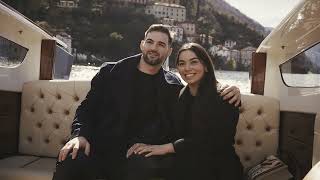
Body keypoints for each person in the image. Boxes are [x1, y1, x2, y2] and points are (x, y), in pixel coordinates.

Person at [52, 25, 241, 180]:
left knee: (143, 165)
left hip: (138, 154)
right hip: (100, 148)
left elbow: (200, 99)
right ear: (142, 44)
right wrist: (80, 135)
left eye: (161, 44)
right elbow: (87, 108)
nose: (154, 47)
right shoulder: (110, 73)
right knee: (71, 155)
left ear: (168, 51)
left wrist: (228, 88)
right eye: (150, 42)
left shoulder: (173, 86)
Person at [128, 43, 243, 180]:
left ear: (206, 66)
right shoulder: (182, 95)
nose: (187, 68)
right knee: (139, 159)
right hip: (188, 162)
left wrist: (165, 148)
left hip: (218, 167)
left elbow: (212, 141)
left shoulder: (225, 96)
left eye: (193, 62)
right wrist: (147, 145)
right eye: (182, 63)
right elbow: (171, 130)